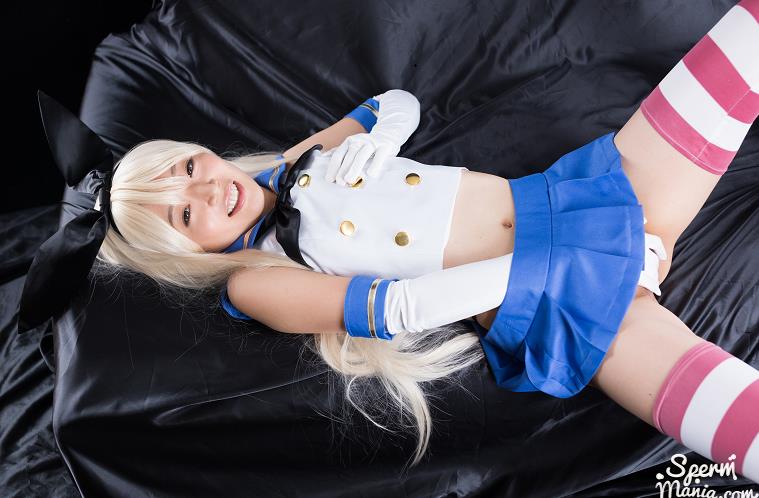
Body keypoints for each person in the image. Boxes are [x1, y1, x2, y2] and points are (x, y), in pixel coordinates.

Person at [20, 0, 759, 480]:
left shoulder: (292, 163)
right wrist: (556, 269)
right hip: (562, 305)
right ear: (188, 255)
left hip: (584, 197)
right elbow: (397, 308)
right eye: (187, 216)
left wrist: (380, 136)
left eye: (188, 168)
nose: (209, 190)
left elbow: (392, 102)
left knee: (742, 40)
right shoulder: (256, 282)